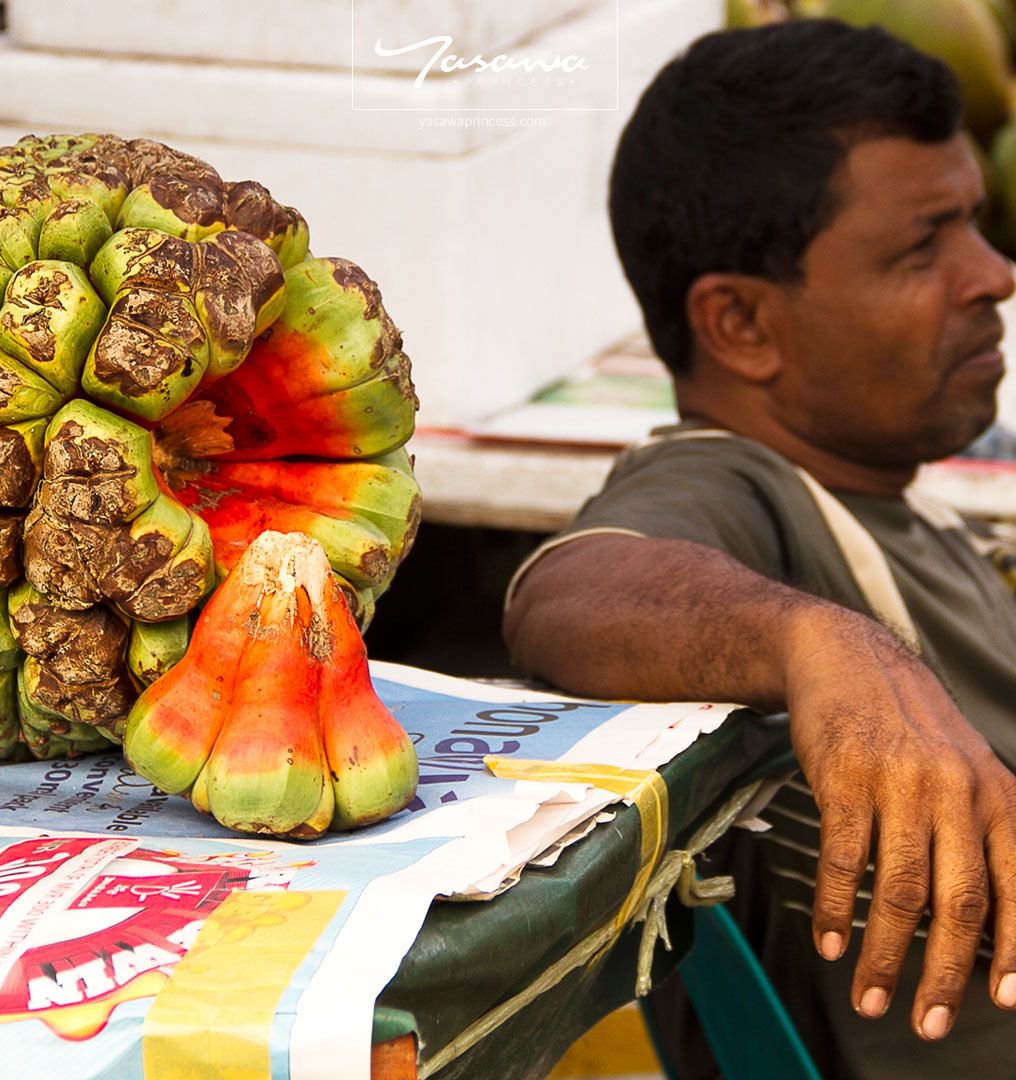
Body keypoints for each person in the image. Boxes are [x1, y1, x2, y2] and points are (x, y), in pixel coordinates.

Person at [502, 18, 1016, 1078]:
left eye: (976, 224)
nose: (994, 275)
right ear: (739, 324)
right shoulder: (740, 494)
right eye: (925, 246)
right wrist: (822, 647)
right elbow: (568, 590)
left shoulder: (906, 509)